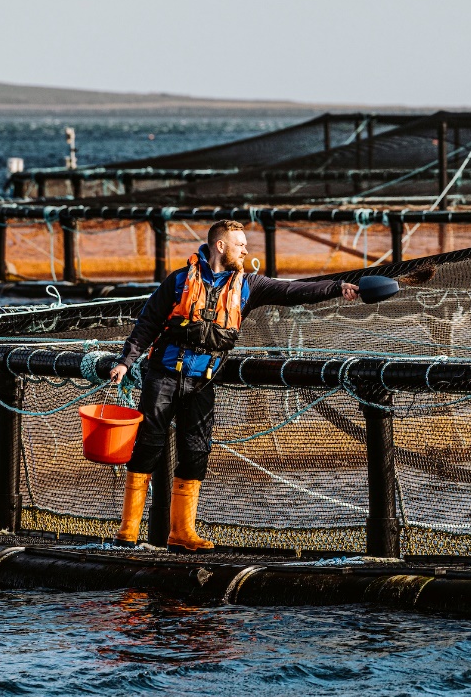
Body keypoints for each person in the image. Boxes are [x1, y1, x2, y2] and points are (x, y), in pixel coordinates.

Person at [107, 219, 359, 551]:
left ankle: (181, 534)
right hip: (163, 377)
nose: (246, 250)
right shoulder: (179, 280)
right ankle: (127, 533)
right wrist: (126, 361)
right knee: (147, 448)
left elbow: (294, 291)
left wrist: (337, 288)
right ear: (220, 246)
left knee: (196, 453)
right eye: (240, 244)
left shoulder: (249, 285)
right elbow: (148, 322)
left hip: (202, 383)